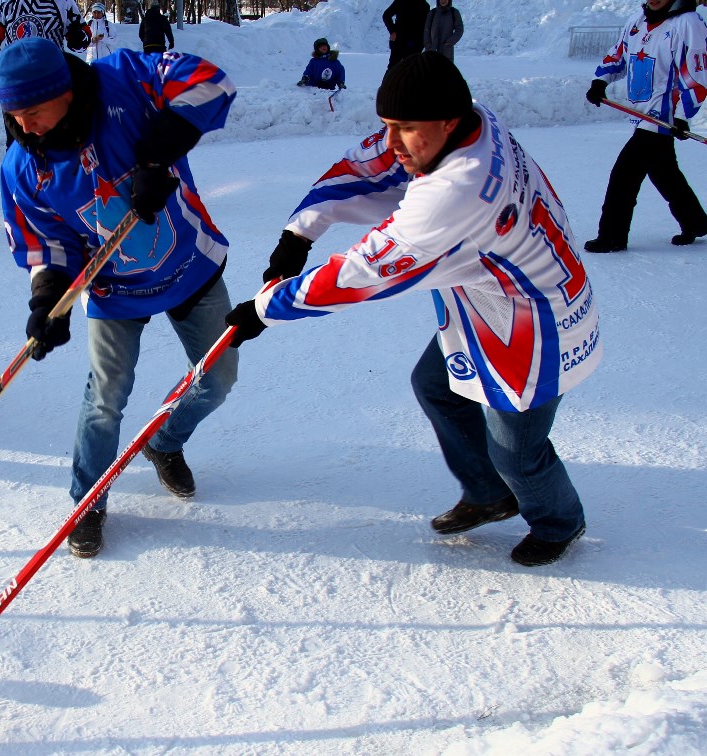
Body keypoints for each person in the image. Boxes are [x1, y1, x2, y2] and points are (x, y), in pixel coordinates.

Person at [224, 52, 600, 567]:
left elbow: (363, 273)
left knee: (516, 449)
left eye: (406, 128)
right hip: (485, 297)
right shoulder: (469, 119)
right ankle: (490, 493)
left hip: (534, 322)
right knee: (436, 388)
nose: (394, 142)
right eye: (388, 126)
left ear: (447, 122)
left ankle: (560, 520)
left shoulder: (460, 189)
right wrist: (299, 231)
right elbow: (369, 161)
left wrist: (264, 309)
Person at [0, 38, 238, 558]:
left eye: (32, 111)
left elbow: (210, 82)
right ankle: (87, 502)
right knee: (105, 400)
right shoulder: (21, 168)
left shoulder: (125, 80)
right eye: (12, 115)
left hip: (188, 263)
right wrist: (46, 300)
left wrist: (157, 153)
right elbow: (46, 242)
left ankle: (164, 442)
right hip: (111, 287)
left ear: (62, 89)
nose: (23, 125)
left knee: (217, 380)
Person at [582, 0, 707, 252]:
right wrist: (600, 81)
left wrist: (682, 115)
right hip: (642, 112)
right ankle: (695, 222)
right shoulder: (637, 21)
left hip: (662, 114)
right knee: (663, 171)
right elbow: (618, 54)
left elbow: (697, 71)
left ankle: (612, 236)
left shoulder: (688, 23)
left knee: (624, 174)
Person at [0, 0, 88, 101]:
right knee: (20, 132)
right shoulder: (6, 3)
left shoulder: (62, 2)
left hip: (51, 82)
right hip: (16, 84)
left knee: (52, 132)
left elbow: (84, 36)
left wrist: (79, 37)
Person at [382, 0, 430, 69]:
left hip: (415, 43)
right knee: (393, 68)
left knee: (411, 70)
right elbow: (386, 15)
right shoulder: (400, 1)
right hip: (399, 41)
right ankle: (389, 80)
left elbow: (426, 26)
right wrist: (392, 31)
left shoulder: (425, 6)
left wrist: (422, 43)